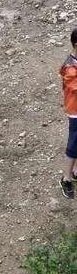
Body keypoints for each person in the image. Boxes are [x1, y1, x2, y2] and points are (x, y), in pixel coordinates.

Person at [59, 26, 77, 199]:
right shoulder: (70, 68)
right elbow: (74, 87)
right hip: (75, 112)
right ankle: (66, 178)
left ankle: (76, 171)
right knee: (73, 147)